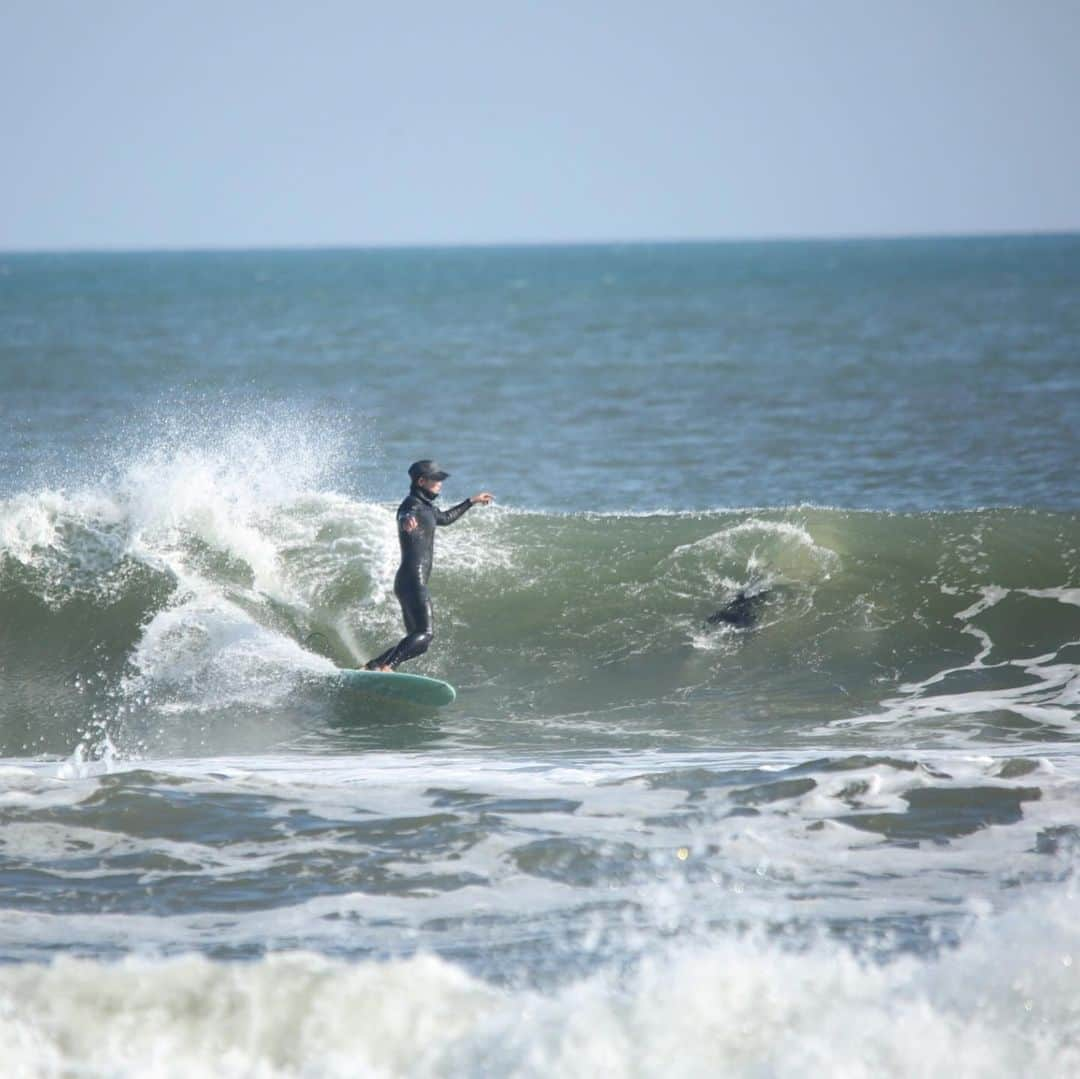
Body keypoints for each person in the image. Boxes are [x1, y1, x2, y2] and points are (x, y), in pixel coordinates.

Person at [365, 460, 494, 672]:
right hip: (412, 580)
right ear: (422, 481)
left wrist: (471, 501)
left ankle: (374, 665)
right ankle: (388, 666)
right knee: (425, 634)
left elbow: (445, 518)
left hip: (409, 581)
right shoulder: (411, 505)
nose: (440, 484)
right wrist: (406, 520)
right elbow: (404, 515)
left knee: (418, 642)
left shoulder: (428, 508)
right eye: (436, 480)